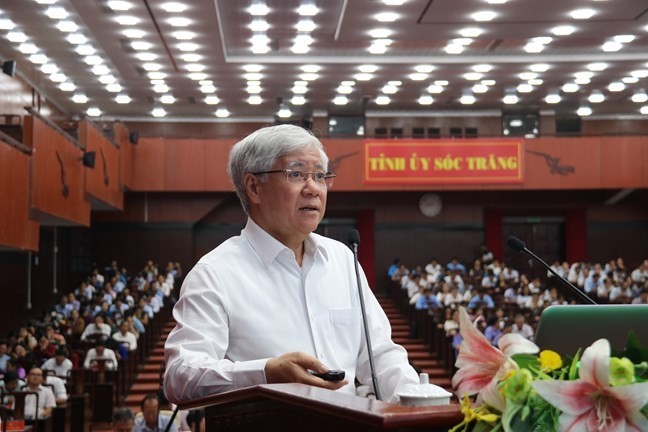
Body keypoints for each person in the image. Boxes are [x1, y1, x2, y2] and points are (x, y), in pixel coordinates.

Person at [164, 124, 422, 405]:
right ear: (254, 187)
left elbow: (381, 355)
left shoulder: (343, 259)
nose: (313, 189)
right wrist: (265, 373)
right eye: (296, 174)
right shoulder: (215, 273)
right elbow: (179, 377)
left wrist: (417, 405)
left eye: (320, 176)